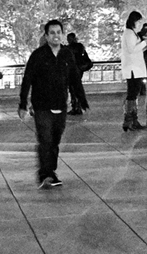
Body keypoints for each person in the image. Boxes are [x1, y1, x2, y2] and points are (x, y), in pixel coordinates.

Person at [19, 22, 70, 188]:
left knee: (55, 139)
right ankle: (46, 173)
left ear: (62, 34)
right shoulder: (38, 55)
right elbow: (27, 79)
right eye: (52, 33)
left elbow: (73, 77)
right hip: (42, 105)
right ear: (46, 36)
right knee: (45, 138)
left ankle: (50, 170)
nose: (56, 35)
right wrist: (23, 103)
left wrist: (78, 97)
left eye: (58, 32)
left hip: (60, 104)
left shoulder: (66, 54)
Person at [119, 12, 147, 131]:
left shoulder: (132, 33)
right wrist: (144, 43)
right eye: (139, 22)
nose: (140, 24)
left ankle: (132, 119)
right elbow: (132, 49)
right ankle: (129, 120)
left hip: (135, 68)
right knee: (132, 94)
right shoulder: (129, 33)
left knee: (134, 94)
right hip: (133, 69)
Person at [62, 24, 93, 114]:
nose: (68, 40)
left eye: (68, 38)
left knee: (73, 88)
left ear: (71, 39)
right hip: (80, 69)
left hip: (73, 70)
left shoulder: (70, 48)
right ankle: (78, 107)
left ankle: (76, 107)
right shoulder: (80, 46)